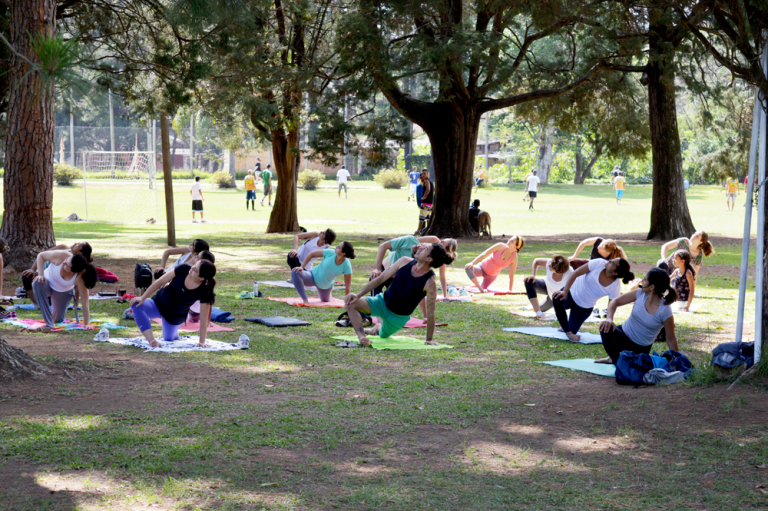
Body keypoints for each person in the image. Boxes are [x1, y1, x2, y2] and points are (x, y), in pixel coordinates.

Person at [345, 243, 452, 346]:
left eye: (425, 249)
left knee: (382, 334)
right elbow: (381, 278)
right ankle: (362, 337)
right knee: (351, 302)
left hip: (397, 319)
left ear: (429, 259)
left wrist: (429, 339)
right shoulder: (404, 261)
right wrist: (358, 295)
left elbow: (431, 312)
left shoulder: (430, 282)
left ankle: (376, 328)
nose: (420, 247)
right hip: (381, 301)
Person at [596, 268, 678, 364]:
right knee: (605, 327)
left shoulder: (665, 310)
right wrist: (609, 319)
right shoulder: (640, 293)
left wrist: (678, 360)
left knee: (634, 364)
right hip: (623, 335)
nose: (641, 281)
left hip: (640, 348)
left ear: (652, 287)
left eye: (645, 280)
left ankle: (617, 360)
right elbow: (615, 301)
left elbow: (671, 339)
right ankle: (615, 360)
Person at [130, 260, 217, 347]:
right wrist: (142, 297)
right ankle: (152, 340)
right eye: (194, 265)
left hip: (175, 316)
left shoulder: (205, 291)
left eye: (195, 270)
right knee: (136, 304)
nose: (192, 267)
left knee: (168, 338)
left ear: (201, 278)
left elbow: (203, 320)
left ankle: (174, 333)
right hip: (158, 303)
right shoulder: (184, 268)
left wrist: (202, 342)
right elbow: (159, 282)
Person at [552, 258, 635, 342]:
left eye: (613, 263)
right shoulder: (599, 263)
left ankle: (567, 327)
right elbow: (576, 273)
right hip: (570, 293)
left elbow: (613, 303)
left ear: (615, 273)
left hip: (584, 308)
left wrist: (609, 319)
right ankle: (567, 331)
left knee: (572, 330)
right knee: (557, 297)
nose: (609, 261)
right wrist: (565, 291)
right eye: (612, 260)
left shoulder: (615, 286)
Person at [371, 235, 457, 307]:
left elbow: (423, 285)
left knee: (391, 302)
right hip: (389, 266)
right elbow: (413, 243)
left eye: (443, 243)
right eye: (443, 240)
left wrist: (445, 295)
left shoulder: (426, 263)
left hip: (398, 273)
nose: (440, 241)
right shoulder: (424, 243)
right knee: (375, 295)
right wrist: (378, 268)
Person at [30, 251, 97, 331]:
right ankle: (49, 324)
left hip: (62, 292)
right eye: (67, 260)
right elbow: (41, 255)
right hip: (45, 284)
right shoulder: (62, 256)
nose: (64, 262)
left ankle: (53, 319)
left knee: (57, 320)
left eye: (66, 265)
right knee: (37, 282)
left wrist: (86, 324)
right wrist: (41, 274)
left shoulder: (80, 277)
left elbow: (85, 302)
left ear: (72, 271)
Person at [22, 242, 93, 307]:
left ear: (81, 252)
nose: (75, 243)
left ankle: (49, 301)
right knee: (26, 276)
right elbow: (42, 255)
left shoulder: (78, 266)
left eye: (79, 245)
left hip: (57, 287)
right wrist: (33, 269)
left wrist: (76, 304)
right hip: (44, 276)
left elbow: (77, 286)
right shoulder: (63, 247)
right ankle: (36, 303)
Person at [523, 255, 574, 320]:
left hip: (557, 297)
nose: (549, 265)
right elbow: (536, 261)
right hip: (546, 287)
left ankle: (536, 308)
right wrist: (533, 275)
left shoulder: (570, 272)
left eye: (551, 266)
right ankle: (538, 312)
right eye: (551, 262)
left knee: (543, 308)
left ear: (558, 271)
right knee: (529, 281)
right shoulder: (550, 262)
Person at [416, 169, 433, 234]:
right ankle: (428, 231)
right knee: (428, 218)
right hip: (430, 204)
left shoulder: (427, 181)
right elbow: (433, 189)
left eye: (424, 174)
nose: (423, 175)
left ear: (427, 174)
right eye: (422, 174)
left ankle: (418, 230)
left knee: (421, 218)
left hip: (426, 203)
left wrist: (424, 197)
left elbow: (428, 189)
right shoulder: (431, 181)